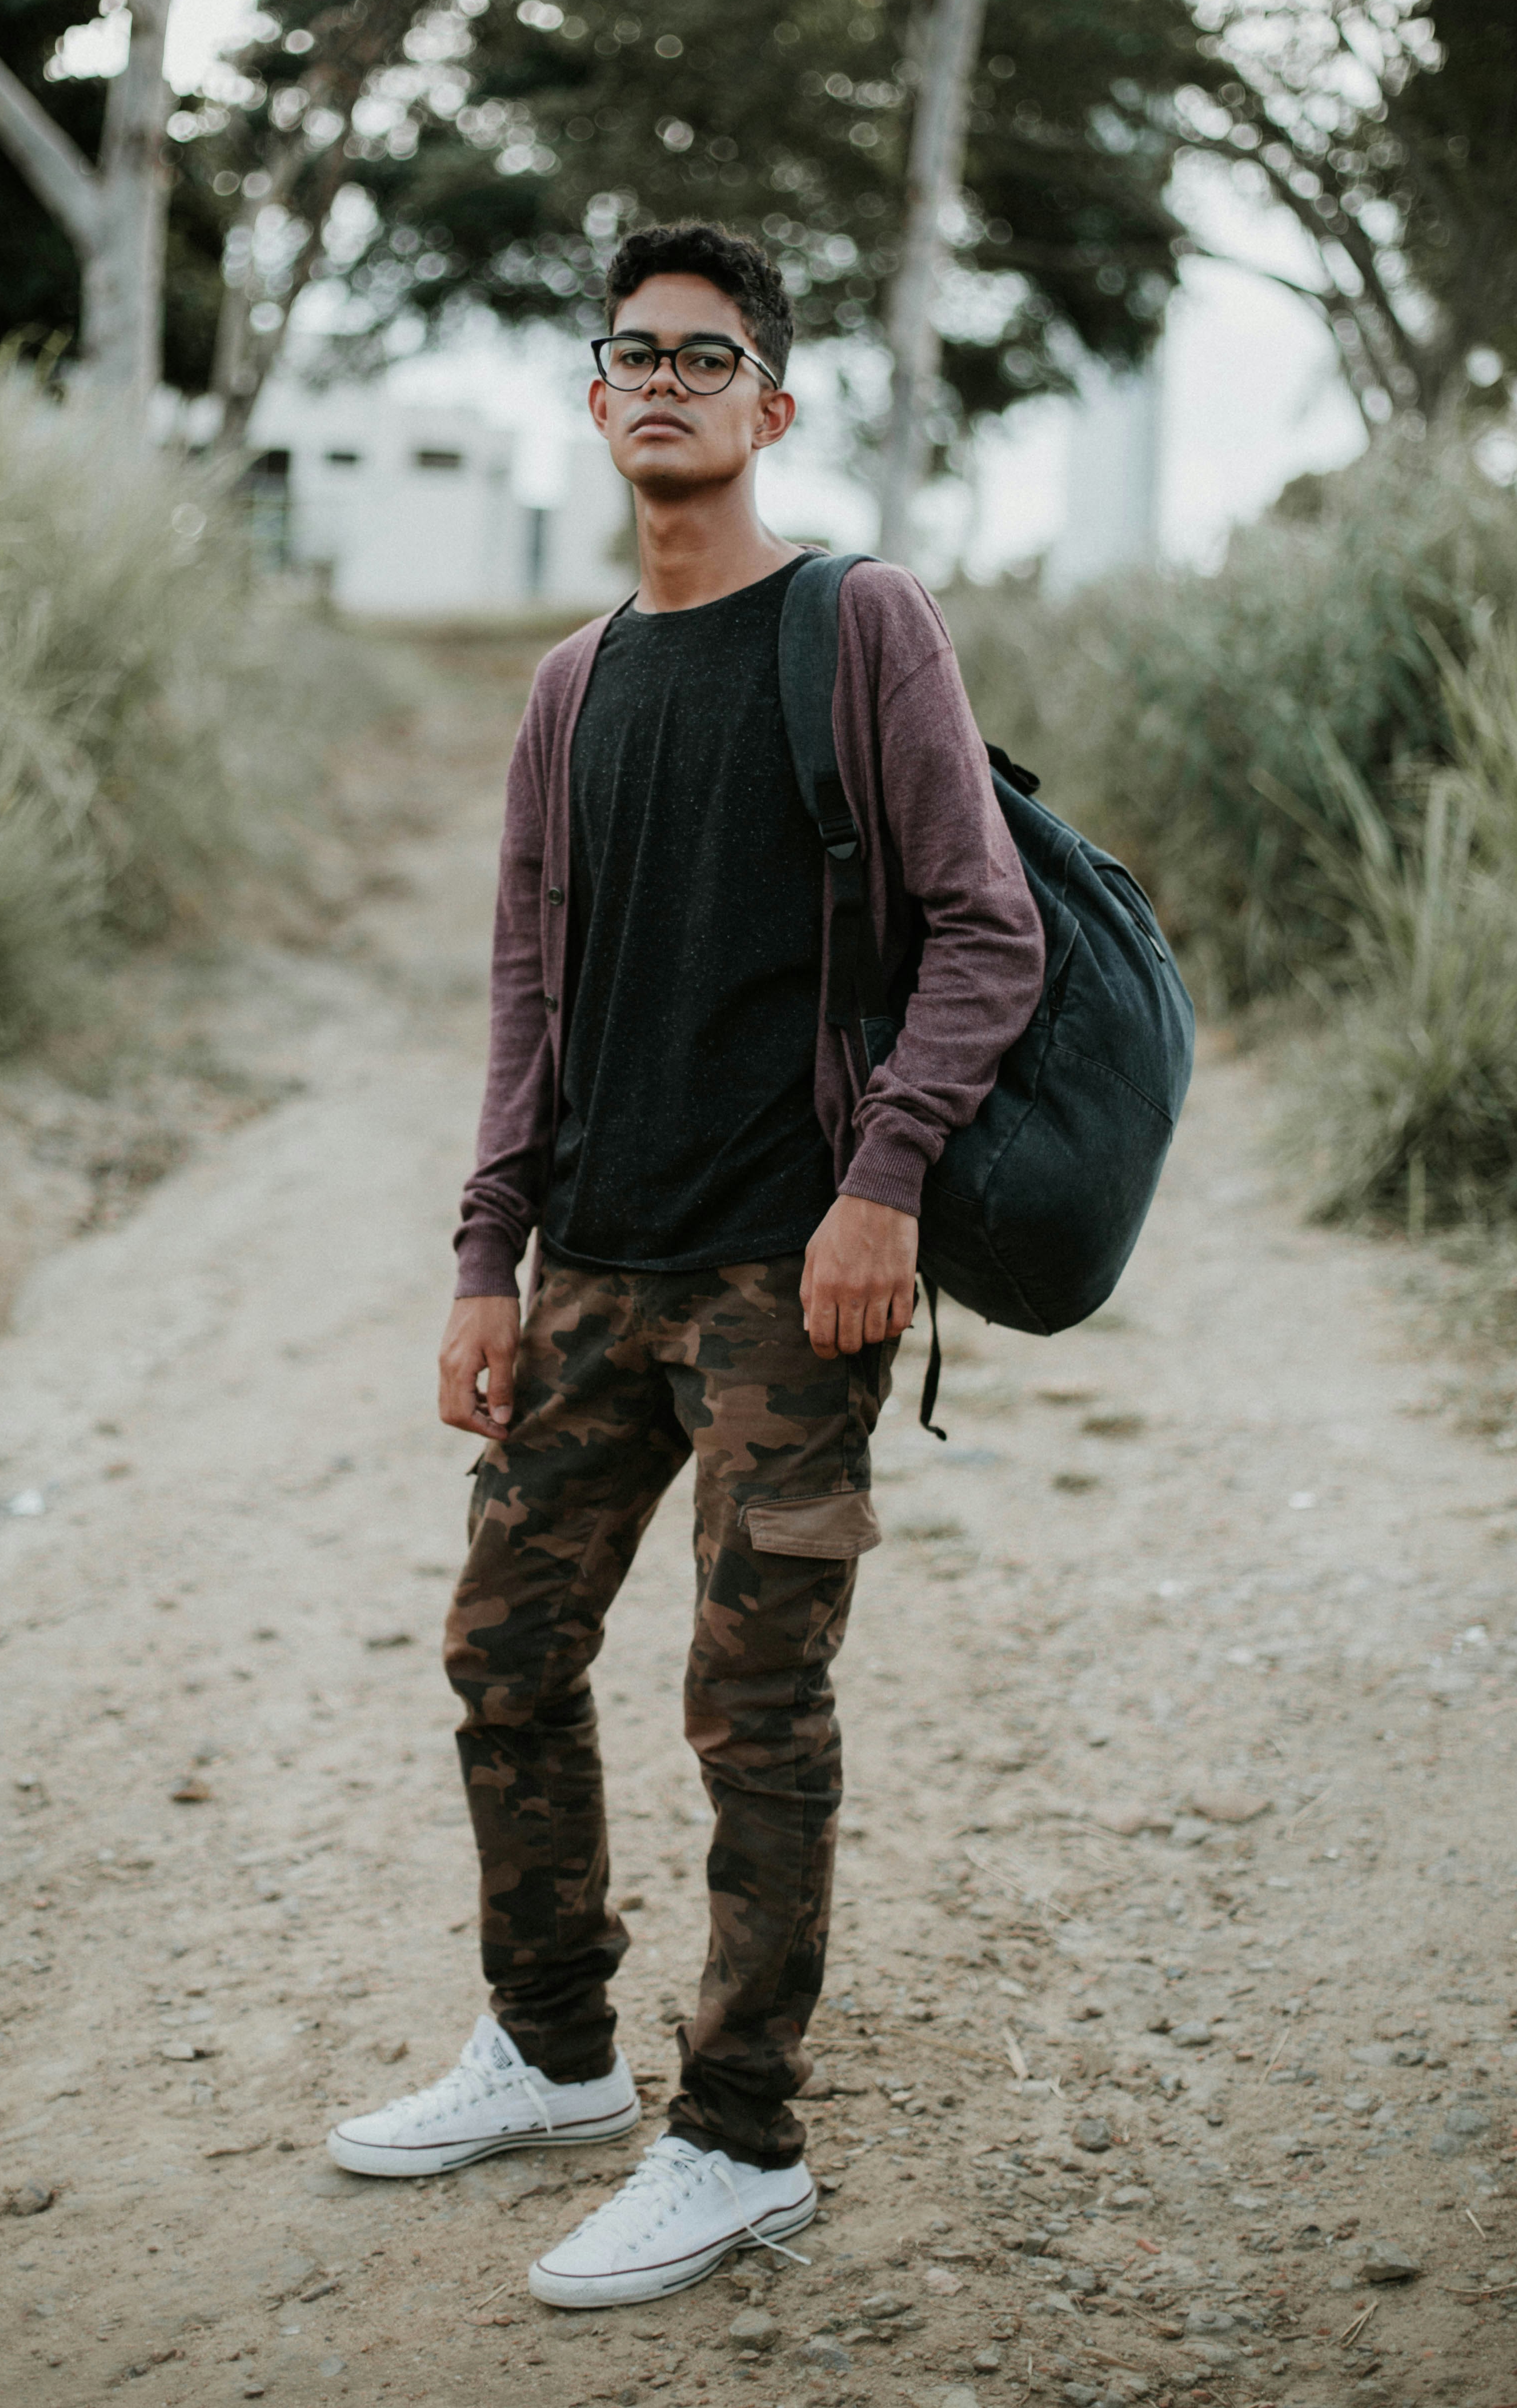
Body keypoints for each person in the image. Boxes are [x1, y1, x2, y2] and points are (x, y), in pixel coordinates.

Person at [324, 219, 1045, 2308]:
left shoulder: (858, 621)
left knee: (757, 1708)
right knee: (504, 1653)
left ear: (773, 405)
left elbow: (986, 927)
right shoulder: (573, 683)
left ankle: (738, 2140)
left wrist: (883, 1185)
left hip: (784, 1280)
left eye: (705, 355)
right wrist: (487, 1253)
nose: (663, 379)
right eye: (631, 352)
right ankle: (556, 2052)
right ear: (594, 398)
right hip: (592, 1267)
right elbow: (526, 988)